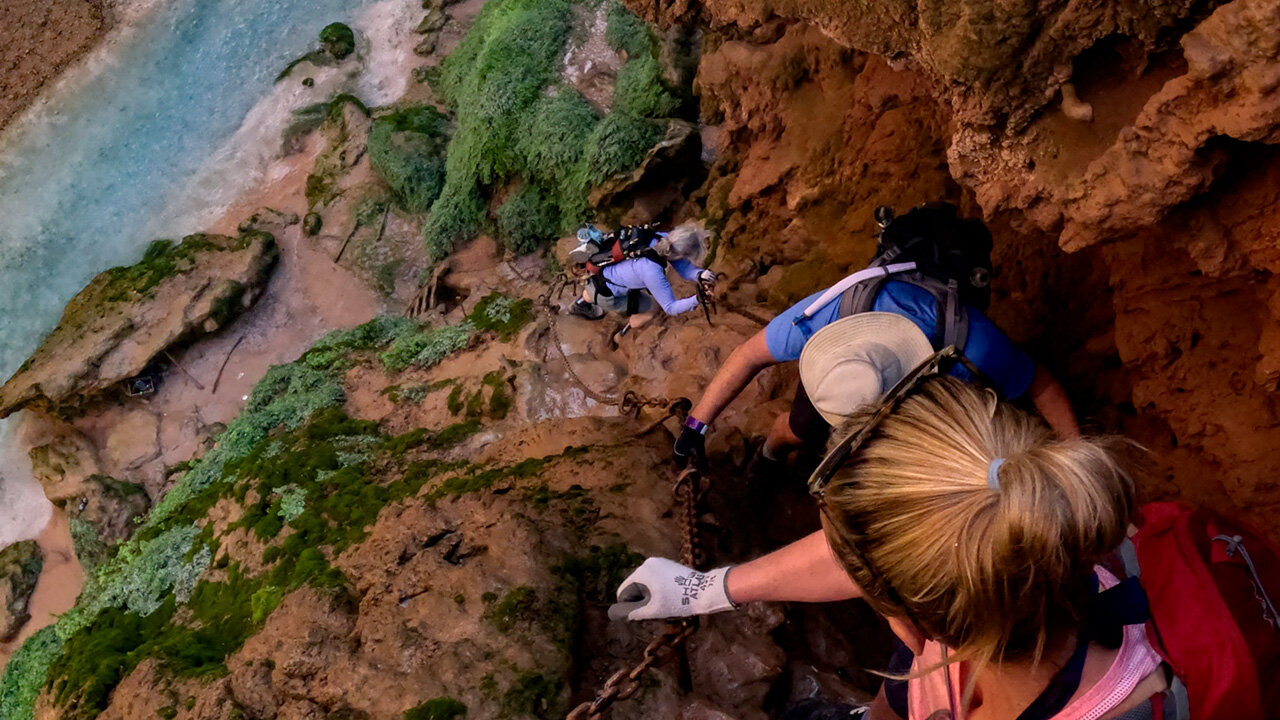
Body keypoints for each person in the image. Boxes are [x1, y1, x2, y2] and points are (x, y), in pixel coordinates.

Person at [611, 364, 1170, 720]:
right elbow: (878, 550)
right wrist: (704, 588)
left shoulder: (965, 581)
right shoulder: (1027, 543)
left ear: (907, 616)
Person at [671, 204, 1079, 476]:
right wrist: (695, 427)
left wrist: (1077, 457)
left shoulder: (970, 342)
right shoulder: (831, 312)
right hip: (850, 371)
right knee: (798, 428)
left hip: (919, 396)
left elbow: (1037, 382)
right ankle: (770, 455)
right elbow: (748, 356)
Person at [568, 222, 716, 339]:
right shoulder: (652, 271)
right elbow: (670, 308)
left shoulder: (660, 237)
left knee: (604, 285)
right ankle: (620, 336)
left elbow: (683, 267)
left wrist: (699, 275)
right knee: (652, 308)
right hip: (606, 293)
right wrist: (698, 299)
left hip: (598, 273)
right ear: (682, 254)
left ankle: (581, 303)